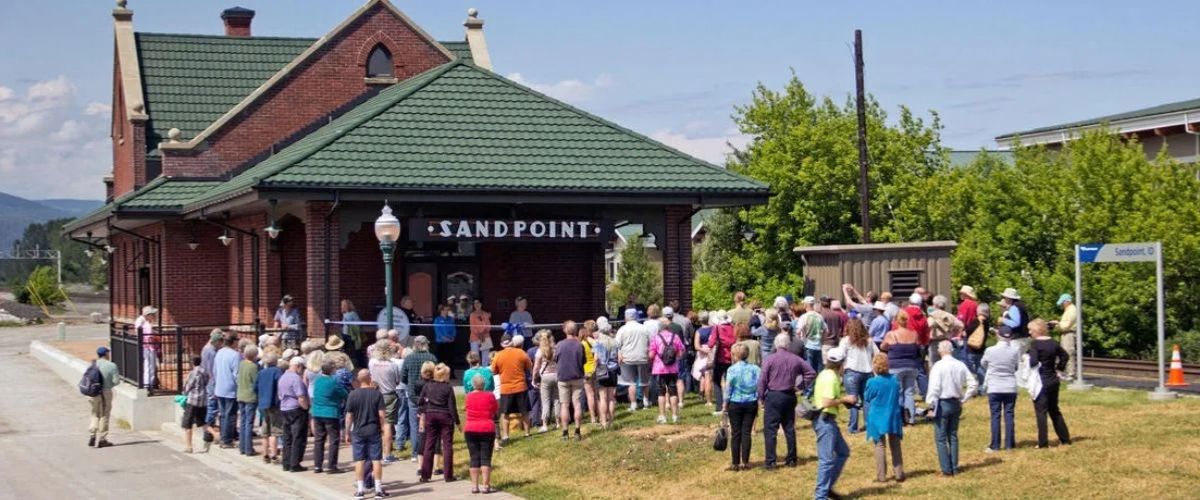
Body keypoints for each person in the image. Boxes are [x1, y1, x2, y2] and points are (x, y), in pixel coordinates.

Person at [758, 333, 817, 469]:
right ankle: (791, 458)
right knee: (789, 427)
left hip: (773, 396)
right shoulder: (795, 359)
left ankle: (771, 461)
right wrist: (801, 386)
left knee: (770, 429)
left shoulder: (769, 359)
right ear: (788, 345)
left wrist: (761, 396)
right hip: (789, 395)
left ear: (775, 344)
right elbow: (811, 372)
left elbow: (762, 380)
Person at [925, 340, 978, 476]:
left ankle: (946, 469)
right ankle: (954, 466)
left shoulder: (938, 366)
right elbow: (973, 383)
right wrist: (964, 398)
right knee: (953, 436)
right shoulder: (960, 364)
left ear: (940, 350)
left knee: (941, 437)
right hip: (956, 402)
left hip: (942, 402)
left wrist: (931, 404)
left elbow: (935, 387)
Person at [812, 347, 856, 500]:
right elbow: (826, 401)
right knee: (827, 460)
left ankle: (827, 487)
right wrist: (845, 399)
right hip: (825, 420)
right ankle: (821, 495)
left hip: (826, 419)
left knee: (843, 451)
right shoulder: (831, 378)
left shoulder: (824, 373)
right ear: (840, 363)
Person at [345, 368, 387, 500]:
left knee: (359, 460)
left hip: (358, 430)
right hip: (373, 429)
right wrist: (382, 427)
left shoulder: (352, 394)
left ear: (358, 379)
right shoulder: (376, 394)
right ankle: (378, 489)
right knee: (376, 459)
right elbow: (381, 415)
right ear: (370, 378)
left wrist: (347, 432)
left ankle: (360, 490)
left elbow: (349, 416)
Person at [1029, 319, 1072, 448]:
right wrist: (1059, 368)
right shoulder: (1054, 343)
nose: (1029, 332)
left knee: (1041, 412)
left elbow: (1033, 363)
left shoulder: (1035, 344)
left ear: (1037, 330)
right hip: (1053, 380)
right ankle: (1065, 439)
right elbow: (1065, 356)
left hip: (1041, 381)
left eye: (1030, 330)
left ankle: (1043, 442)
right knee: (1054, 410)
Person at [863, 353, 904, 483]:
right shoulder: (894, 379)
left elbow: (867, 397)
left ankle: (881, 476)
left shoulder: (872, 382)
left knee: (880, 445)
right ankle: (899, 473)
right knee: (895, 445)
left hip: (877, 416)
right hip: (893, 415)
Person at [419, 363, 460, 483]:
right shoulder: (448, 388)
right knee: (447, 446)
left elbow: (421, 401)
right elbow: (452, 406)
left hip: (431, 415)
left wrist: (424, 411)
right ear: (445, 376)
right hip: (445, 416)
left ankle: (425, 475)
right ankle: (448, 475)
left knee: (429, 444)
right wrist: (457, 422)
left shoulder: (427, 386)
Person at [722, 343, 761, 471]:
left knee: (736, 433)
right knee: (746, 432)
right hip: (751, 402)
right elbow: (759, 386)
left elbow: (728, 389)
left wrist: (724, 404)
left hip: (735, 402)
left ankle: (735, 462)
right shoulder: (755, 369)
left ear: (734, 355)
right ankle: (745, 461)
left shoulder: (732, 370)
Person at [982, 325, 1020, 452]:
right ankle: (1009, 444)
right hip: (1010, 386)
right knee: (1009, 415)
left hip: (995, 386)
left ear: (998, 335)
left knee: (995, 415)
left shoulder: (990, 350)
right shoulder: (1015, 350)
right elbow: (1016, 367)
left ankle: (995, 444)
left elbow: (984, 363)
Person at [881, 310, 922, 425]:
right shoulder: (914, 334)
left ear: (896, 321)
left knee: (897, 392)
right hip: (911, 365)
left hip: (896, 366)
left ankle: (899, 419)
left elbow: (883, 346)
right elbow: (918, 347)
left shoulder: (892, 334)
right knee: (909, 393)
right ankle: (911, 418)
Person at [491, 333, 533, 444]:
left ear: (501, 344)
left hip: (506, 389)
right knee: (524, 412)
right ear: (511, 342)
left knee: (505, 414)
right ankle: (527, 434)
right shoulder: (521, 352)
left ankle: (506, 436)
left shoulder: (498, 355)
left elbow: (493, 371)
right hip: (521, 387)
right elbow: (529, 366)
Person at [399, 336, 436, 461]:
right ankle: (429, 449)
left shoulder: (409, 358)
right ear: (425, 344)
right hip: (430, 394)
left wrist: (410, 383)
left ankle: (415, 452)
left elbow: (403, 377)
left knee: (414, 424)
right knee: (430, 423)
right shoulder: (431, 358)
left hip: (413, 395)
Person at [838, 320, 878, 434]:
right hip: (867, 372)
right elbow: (877, 354)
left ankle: (853, 427)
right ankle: (869, 425)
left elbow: (840, 355)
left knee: (852, 400)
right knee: (867, 400)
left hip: (851, 372)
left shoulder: (846, 341)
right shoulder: (869, 341)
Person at [307, 358, 347, 473]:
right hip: (330, 412)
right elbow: (343, 393)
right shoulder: (333, 381)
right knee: (334, 439)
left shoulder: (318, 380)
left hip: (317, 412)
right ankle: (331, 465)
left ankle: (317, 465)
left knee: (319, 439)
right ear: (332, 370)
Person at [464, 374, 499, 494]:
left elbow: (466, 408)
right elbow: (495, 410)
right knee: (485, 457)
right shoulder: (490, 396)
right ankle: (486, 485)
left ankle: (474, 486)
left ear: (473, 384)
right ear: (484, 384)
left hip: (471, 428)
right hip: (487, 428)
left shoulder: (468, 396)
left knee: (474, 457)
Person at [648, 316, 686, 425]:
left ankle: (663, 416)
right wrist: (677, 358)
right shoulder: (676, 337)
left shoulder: (656, 338)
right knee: (673, 392)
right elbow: (682, 350)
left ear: (659, 327)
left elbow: (651, 355)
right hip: (673, 368)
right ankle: (675, 416)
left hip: (660, 369)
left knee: (661, 392)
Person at [554, 321, 587, 439]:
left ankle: (565, 432)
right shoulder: (580, 344)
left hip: (563, 377)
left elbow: (556, 359)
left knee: (564, 405)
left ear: (565, 330)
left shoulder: (559, 345)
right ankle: (577, 431)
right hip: (577, 376)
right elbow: (584, 361)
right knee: (577, 404)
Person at [615, 309, 652, 412]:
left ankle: (633, 404)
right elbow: (650, 342)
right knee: (644, 382)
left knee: (631, 383)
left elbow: (616, 344)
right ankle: (645, 402)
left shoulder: (622, 329)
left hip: (628, 358)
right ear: (636, 316)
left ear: (626, 317)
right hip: (642, 357)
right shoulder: (644, 328)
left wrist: (619, 354)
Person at [278, 356, 310, 472]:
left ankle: (286, 462)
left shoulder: (282, 377)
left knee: (287, 437)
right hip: (296, 409)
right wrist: (306, 408)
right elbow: (301, 397)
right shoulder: (296, 379)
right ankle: (294, 463)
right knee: (298, 437)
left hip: (284, 408)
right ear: (298, 366)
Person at [87, 346, 119, 448]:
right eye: (108, 353)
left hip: (93, 392)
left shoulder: (93, 364)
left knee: (95, 413)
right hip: (105, 391)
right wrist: (108, 385)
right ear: (105, 354)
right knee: (105, 414)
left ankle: (92, 435)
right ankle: (102, 439)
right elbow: (116, 381)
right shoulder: (112, 365)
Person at [212, 334, 241, 448]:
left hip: (220, 387)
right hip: (230, 389)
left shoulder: (219, 353)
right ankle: (227, 440)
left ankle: (224, 437)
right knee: (230, 415)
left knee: (223, 414)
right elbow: (237, 374)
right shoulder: (235, 355)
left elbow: (214, 371)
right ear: (233, 342)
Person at [706, 312, 736, 414]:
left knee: (716, 381)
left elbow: (711, 343)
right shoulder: (733, 327)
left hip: (720, 358)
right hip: (732, 357)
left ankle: (719, 407)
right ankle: (730, 405)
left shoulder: (717, 328)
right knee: (730, 382)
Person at [256, 351, 283, 464]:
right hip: (274, 404)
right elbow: (280, 387)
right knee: (274, 431)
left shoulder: (261, 373)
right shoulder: (277, 371)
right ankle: (274, 455)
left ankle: (265, 454)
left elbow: (255, 388)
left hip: (262, 404)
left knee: (265, 431)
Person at [181, 355, 211, 453]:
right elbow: (207, 382)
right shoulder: (204, 372)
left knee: (187, 423)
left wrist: (184, 392)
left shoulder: (193, 373)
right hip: (203, 400)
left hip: (193, 400)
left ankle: (189, 446)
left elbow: (187, 387)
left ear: (192, 363)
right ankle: (212, 438)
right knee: (203, 422)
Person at [591, 317, 618, 428]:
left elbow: (596, 359)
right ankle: (611, 421)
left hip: (602, 370)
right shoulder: (614, 341)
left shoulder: (598, 342)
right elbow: (618, 357)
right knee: (611, 398)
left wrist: (593, 370)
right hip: (613, 370)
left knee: (602, 398)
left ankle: (603, 422)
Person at [532, 330, 559, 432]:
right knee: (557, 400)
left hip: (545, 377)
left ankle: (545, 424)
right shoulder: (555, 349)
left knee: (545, 401)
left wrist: (534, 379)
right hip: (556, 375)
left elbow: (536, 367)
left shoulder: (539, 351)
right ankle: (558, 422)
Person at [797, 296, 828, 386]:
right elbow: (826, 330)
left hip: (808, 345)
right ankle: (820, 386)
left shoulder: (804, 317)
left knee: (809, 370)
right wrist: (822, 340)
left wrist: (801, 339)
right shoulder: (819, 316)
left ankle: (809, 390)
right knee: (819, 369)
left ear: (806, 305)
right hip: (818, 345)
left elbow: (798, 331)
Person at [236, 344, 260, 456]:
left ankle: (242, 447)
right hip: (250, 396)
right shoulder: (253, 367)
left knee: (243, 422)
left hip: (240, 394)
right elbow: (256, 382)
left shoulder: (241, 364)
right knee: (249, 423)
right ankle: (249, 448)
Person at [962, 303, 991, 389]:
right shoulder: (986, 322)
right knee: (980, 368)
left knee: (970, 367)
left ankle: (972, 387)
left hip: (972, 348)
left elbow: (968, 331)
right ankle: (982, 387)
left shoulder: (976, 321)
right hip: (981, 348)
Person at [1050, 294, 1079, 381]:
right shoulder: (1068, 310)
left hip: (1069, 333)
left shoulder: (1072, 310)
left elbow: (1066, 325)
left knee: (1068, 353)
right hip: (1065, 333)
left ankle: (1071, 374)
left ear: (1067, 301)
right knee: (1064, 353)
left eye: (1062, 303)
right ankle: (1066, 372)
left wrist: (1057, 324)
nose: (1062, 305)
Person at [200, 329, 223, 432]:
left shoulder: (206, 348)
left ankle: (210, 426)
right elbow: (211, 369)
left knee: (212, 405)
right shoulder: (211, 351)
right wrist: (214, 381)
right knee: (212, 405)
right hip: (211, 381)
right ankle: (209, 428)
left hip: (208, 380)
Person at [134, 306, 159, 389]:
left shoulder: (144, 322)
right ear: (148, 315)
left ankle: (147, 384)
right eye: (153, 314)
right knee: (150, 366)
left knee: (148, 365)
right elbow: (148, 336)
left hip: (146, 346)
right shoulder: (144, 323)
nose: (154, 316)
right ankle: (148, 385)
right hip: (148, 347)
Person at [579, 320, 599, 425]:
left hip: (586, 370)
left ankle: (592, 417)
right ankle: (600, 414)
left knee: (589, 394)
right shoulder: (595, 341)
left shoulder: (581, 344)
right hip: (596, 369)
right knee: (597, 394)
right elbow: (598, 354)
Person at [999, 288, 1030, 352]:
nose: (1004, 299)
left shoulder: (1014, 307)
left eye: (1005, 297)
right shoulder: (1021, 305)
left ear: (1009, 298)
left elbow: (1015, 323)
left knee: (1015, 360)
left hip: (1017, 339)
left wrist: (1003, 320)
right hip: (1024, 337)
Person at [694, 311, 715, 406]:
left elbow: (696, 346)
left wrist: (704, 350)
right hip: (712, 352)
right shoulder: (714, 329)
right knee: (707, 376)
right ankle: (703, 394)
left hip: (702, 354)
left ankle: (707, 399)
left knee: (705, 376)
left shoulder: (698, 331)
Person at [341, 299, 366, 369]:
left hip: (352, 335)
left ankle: (361, 364)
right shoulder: (344, 314)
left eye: (343, 305)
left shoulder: (353, 314)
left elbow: (359, 323)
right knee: (346, 350)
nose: (342, 307)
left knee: (356, 350)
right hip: (345, 334)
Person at [469, 299, 493, 367]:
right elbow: (472, 327)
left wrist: (483, 333)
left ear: (481, 304)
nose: (476, 305)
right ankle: (474, 372)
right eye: (475, 303)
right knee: (474, 357)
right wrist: (480, 335)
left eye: (478, 303)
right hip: (474, 337)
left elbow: (489, 326)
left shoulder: (485, 314)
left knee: (485, 357)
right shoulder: (472, 315)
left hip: (485, 337)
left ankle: (484, 372)